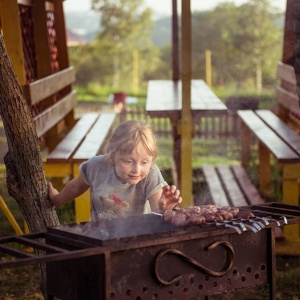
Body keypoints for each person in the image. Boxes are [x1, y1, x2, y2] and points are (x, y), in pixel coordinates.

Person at [48, 120, 182, 221]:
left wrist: (165, 208)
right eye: (128, 161)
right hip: (103, 237)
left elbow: (157, 212)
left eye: (144, 162)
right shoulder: (96, 166)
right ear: (112, 155)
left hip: (139, 238)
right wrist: (57, 199)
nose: (137, 169)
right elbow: (76, 187)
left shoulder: (151, 174)